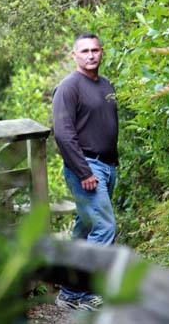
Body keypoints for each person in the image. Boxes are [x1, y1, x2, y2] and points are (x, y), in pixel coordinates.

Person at [52, 32, 119, 311]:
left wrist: (111, 164)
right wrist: (84, 172)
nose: (91, 55)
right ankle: (92, 294)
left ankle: (69, 292)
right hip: (86, 167)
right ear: (74, 55)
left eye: (95, 50)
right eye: (85, 51)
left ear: (102, 52)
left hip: (106, 165)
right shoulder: (68, 88)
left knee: (86, 227)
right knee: (104, 226)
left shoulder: (106, 85)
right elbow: (64, 135)